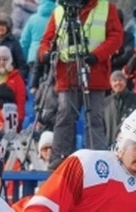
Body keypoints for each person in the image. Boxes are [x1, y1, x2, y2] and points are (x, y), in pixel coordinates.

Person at [38, 0, 124, 166]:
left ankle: (96, 160)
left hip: (94, 73)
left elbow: (116, 37)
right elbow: (46, 41)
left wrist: (97, 55)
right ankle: (60, 160)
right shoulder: (60, 10)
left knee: (94, 118)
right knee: (65, 116)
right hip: (67, 74)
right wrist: (45, 53)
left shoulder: (106, 8)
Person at [0, 46, 27, 131]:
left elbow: (20, 99)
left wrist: (20, 118)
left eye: (4, 59)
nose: (1, 62)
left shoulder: (16, 77)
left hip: (11, 115)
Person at [104, 71, 136, 146]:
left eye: (120, 80)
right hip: (109, 146)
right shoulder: (106, 102)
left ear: (125, 82)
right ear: (110, 83)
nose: (118, 83)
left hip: (130, 145)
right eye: (115, 80)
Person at [20, 0, 55, 67]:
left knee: (34, 77)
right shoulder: (58, 17)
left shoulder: (32, 19)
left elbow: (24, 42)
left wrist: (24, 60)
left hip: (33, 57)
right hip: (52, 56)